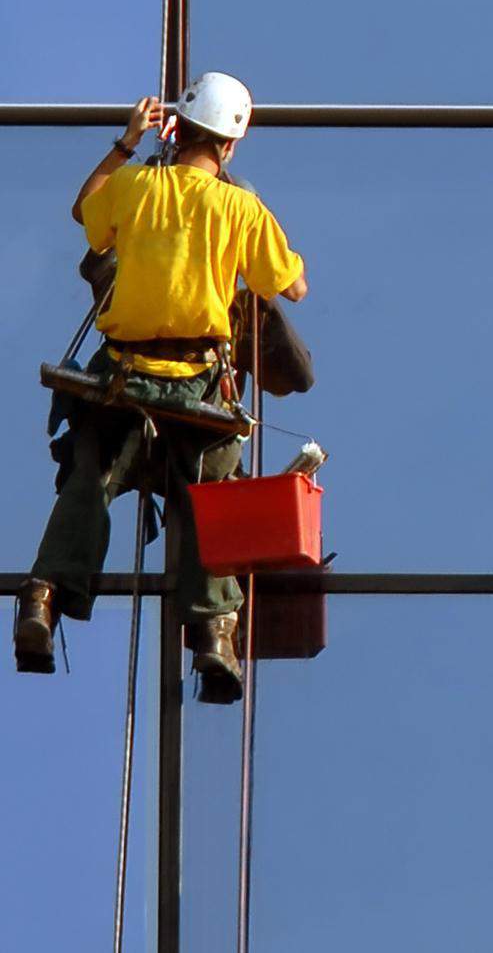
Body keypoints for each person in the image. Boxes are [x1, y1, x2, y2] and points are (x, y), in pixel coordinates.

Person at [14, 72, 309, 703]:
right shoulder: (238, 207)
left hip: (122, 375)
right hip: (196, 386)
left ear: (176, 131)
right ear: (229, 147)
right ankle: (213, 636)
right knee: (212, 498)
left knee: (88, 481)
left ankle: (42, 597)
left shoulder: (134, 186)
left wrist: (125, 144)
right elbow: (292, 285)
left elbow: (84, 212)